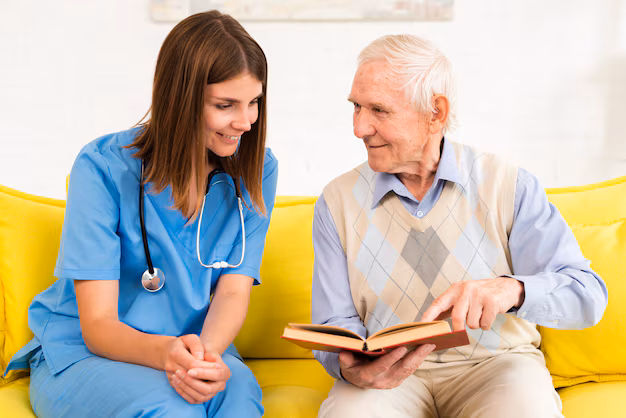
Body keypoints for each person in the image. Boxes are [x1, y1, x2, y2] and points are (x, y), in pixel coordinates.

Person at [312, 34, 607, 418]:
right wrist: (347, 364)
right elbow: (334, 322)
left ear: (435, 112)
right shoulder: (336, 201)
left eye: (379, 111)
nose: (359, 128)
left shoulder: (508, 184)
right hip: (388, 379)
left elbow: (587, 295)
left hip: (496, 366)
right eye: (356, 107)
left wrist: (512, 289)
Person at [4, 11, 277, 417]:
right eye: (225, 105)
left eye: (253, 102)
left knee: (239, 401)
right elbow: (98, 325)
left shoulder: (257, 169)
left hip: (195, 346)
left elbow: (234, 289)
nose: (245, 122)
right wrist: (169, 354)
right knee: (173, 409)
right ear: (180, 100)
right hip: (91, 352)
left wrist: (204, 359)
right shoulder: (103, 167)